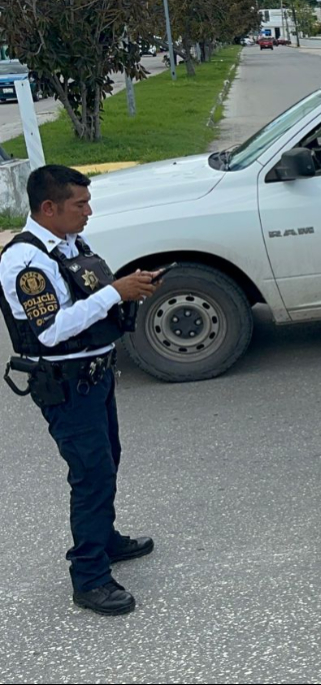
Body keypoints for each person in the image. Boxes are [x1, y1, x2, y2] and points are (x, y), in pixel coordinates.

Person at [0, 165, 160, 616]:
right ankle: (89, 577)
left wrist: (129, 291)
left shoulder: (68, 243)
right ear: (49, 208)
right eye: (80, 205)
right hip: (67, 385)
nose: (88, 212)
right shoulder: (26, 263)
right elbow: (51, 330)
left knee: (107, 461)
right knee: (90, 475)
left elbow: (84, 297)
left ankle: (103, 539)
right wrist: (115, 293)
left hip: (95, 373)